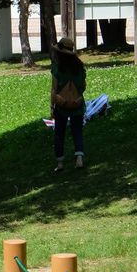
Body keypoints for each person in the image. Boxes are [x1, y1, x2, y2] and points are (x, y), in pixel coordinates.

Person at [50, 37, 87, 172]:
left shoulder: (57, 67)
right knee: (77, 132)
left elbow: (54, 89)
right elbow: (83, 86)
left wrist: (52, 106)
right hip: (77, 104)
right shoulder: (79, 67)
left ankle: (60, 163)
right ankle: (79, 159)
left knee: (59, 133)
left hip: (61, 106)